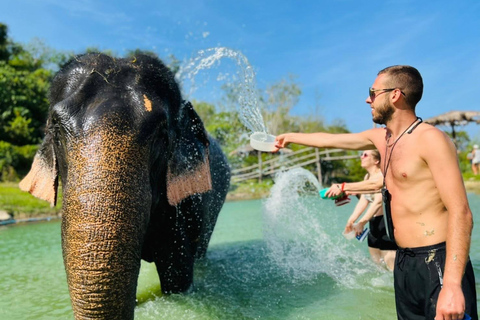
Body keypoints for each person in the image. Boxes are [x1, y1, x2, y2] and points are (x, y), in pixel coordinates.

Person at [274, 65, 477, 320]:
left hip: (437, 260)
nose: (367, 99)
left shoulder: (431, 140)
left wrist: (453, 285)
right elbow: (331, 140)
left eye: (373, 92)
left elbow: (461, 212)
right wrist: (288, 138)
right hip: (404, 263)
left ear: (395, 95)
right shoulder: (383, 139)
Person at [326, 150, 397, 271]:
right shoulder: (367, 177)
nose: (361, 157)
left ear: (376, 161)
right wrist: (351, 220)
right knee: (377, 266)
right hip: (373, 224)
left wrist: (361, 223)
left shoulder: (382, 177)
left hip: (385, 224)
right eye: (361, 154)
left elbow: (377, 203)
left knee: (391, 266)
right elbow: (364, 200)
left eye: (365, 155)